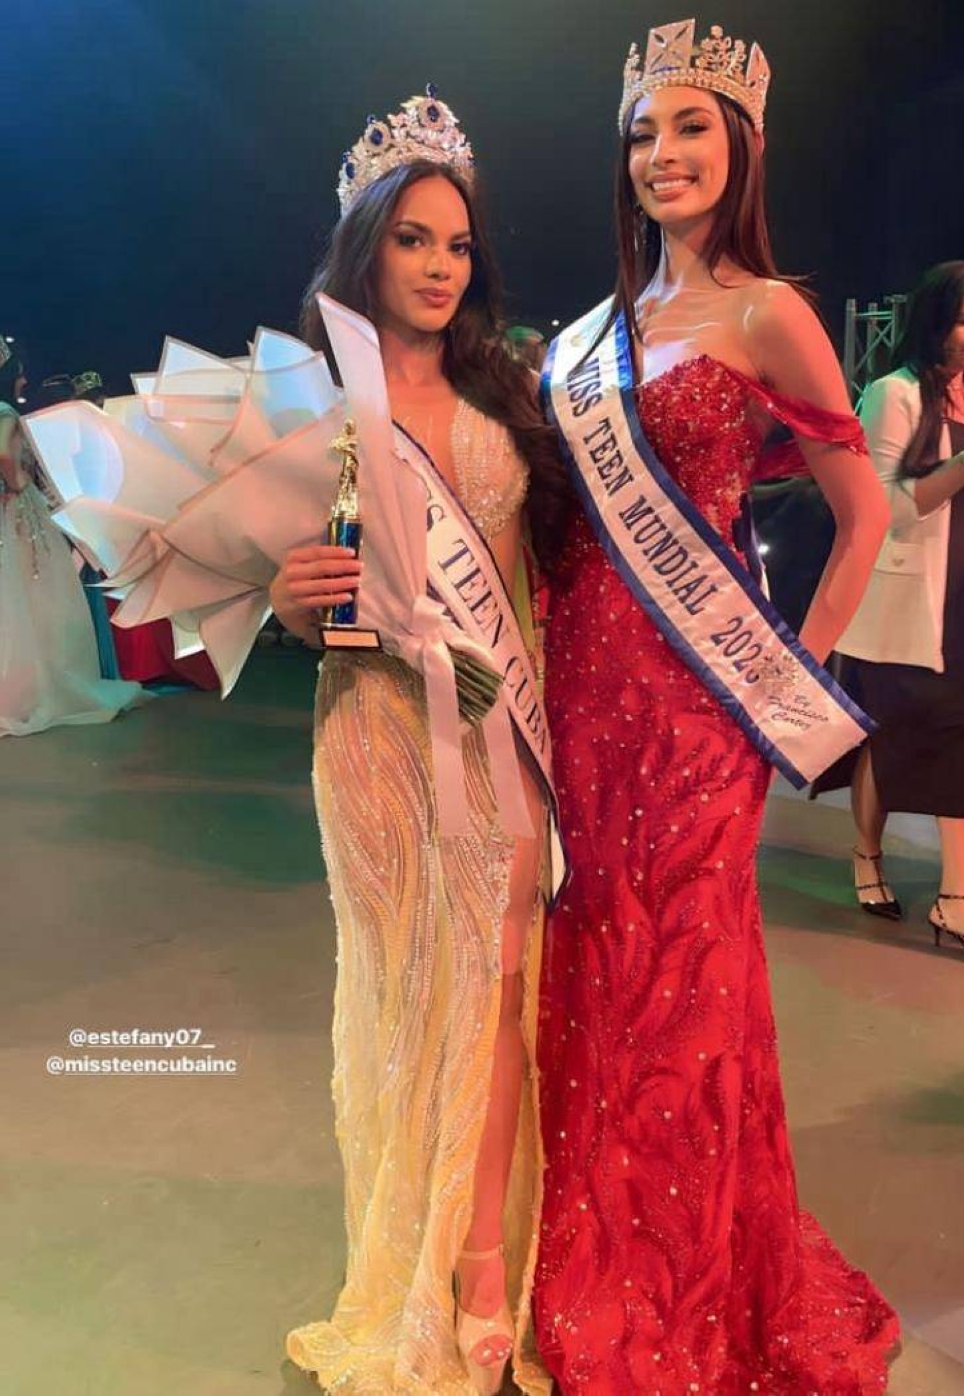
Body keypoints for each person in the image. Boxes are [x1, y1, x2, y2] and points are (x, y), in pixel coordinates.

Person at [533, 20, 899, 1393]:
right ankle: (593, 1254)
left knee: (685, 997)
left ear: (740, 146)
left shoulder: (768, 312)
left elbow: (864, 517)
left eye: (691, 127)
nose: (663, 155)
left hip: (697, 720)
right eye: (642, 132)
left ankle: (685, 1292)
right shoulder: (597, 335)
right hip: (579, 704)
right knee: (595, 977)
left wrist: (777, 693)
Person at [272, 93, 567, 1394]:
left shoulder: (507, 396)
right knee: (404, 1012)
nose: (441, 265)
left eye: (457, 243)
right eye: (412, 240)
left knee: (496, 1000)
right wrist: (286, 607)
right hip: (374, 749)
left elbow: (537, 583)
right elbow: (281, 587)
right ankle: (406, 1264)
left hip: (498, 739)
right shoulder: (309, 401)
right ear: (365, 250)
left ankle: (485, 1278)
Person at [818, 261, 964, 964]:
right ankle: (867, 855)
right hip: (907, 600)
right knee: (884, 739)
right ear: (933, 319)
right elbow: (887, 507)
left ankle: (956, 898)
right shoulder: (892, 396)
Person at [0, 338, 144, 736]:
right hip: (18, 508)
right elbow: (5, 455)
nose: (24, 379)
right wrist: (17, 482)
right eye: (19, 373)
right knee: (36, 594)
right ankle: (33, 686)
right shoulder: (6, 411)